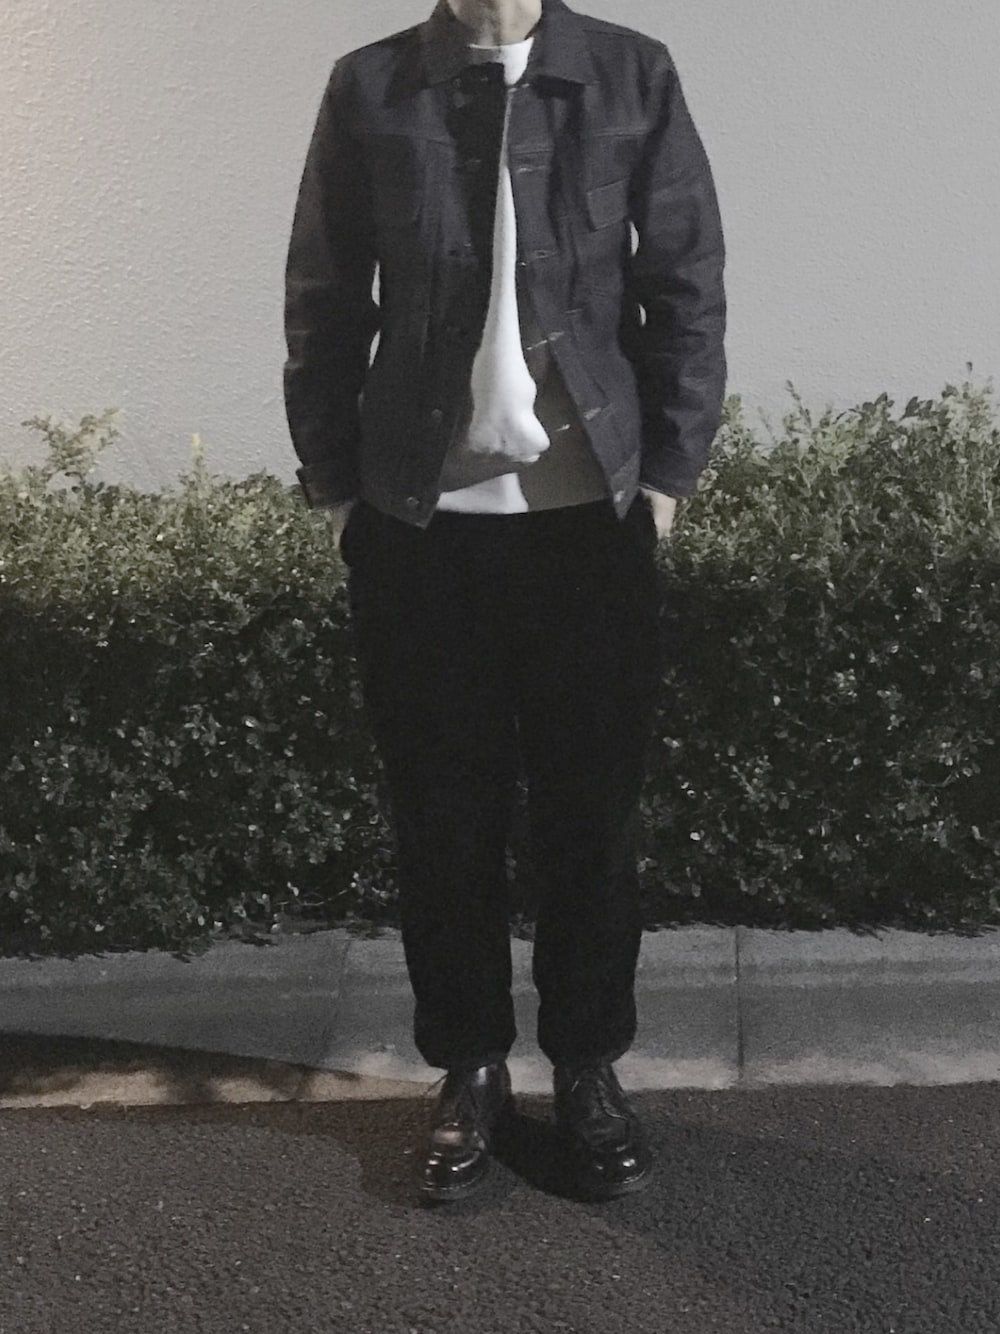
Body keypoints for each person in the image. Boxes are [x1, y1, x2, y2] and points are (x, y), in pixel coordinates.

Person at [283, 0, 726, 1204]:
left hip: (591, 526)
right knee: (443, 821)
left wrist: (667, 477)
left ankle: (586, 1066)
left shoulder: (630, 75)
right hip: (420, 530)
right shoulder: (371, 87)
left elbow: (684, 280)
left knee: (593, 823)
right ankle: (469, 1065)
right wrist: (339, 491)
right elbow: (324, 296)